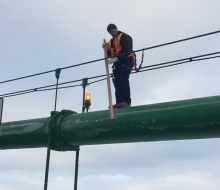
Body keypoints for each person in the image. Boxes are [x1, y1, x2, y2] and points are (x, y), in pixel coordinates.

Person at [103, 24, 134, 109]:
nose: (111, 33)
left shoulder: (125, 37)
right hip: (117, 64)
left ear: (116, 29)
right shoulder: (110, 42)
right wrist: (106, 49)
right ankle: (119, 102)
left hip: (126, 61)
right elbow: (109, 54)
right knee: (117, 83)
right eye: (110, 32)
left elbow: (127, 50)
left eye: (112, 31)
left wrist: (116, 58)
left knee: (123, 79)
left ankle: (126, 101)